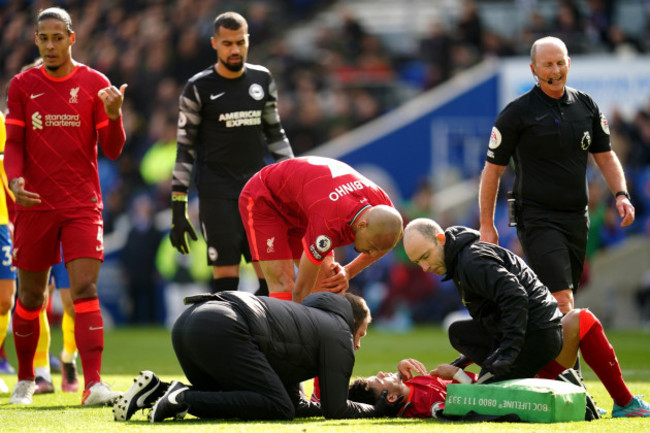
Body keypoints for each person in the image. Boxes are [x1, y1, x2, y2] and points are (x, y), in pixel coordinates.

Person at [4, 7, 127, 405]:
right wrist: (15, 180)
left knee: (84, 289)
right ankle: (26, 377)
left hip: (81, 203)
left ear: (72, 38)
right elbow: (15, 146)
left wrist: (115, 116)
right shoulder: (22, 85)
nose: (52, 44)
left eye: (59, 37)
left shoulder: (96, 84)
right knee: (32, 297)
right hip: (35, 204)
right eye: (44, 38)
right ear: (36, 40)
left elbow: (112, 149)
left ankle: (93, 384)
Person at [478, 36, 635, 314]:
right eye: (547, 64)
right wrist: (487, 225)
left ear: (569, 64)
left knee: (563, 301)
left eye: (560, 63)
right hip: (537, 218)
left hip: (577, 218)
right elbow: (492, 171)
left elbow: (606, 156)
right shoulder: (516, 113)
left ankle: (550, 356)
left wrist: (621, 195)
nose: (555, 70)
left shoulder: (585, 106)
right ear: (533, 70)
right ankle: (562, 357)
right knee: (562, 300)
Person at [114, 290, 400, 422]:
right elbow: (335, 410)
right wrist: (377, 410)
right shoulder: (339, 332)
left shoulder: (306, 321)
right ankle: (182, 398)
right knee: (278, 409)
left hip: (189, 322)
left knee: (249, 400)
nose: (358, 345)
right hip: (224, 326)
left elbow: (297, 403)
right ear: (353, 323)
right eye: (361, 335)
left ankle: (159, 391)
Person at [170, 11, 294, 296]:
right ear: (214, 43)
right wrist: (178, 206)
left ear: (248, 41)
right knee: (226, 277)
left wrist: (293, 181)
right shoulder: (198, 88)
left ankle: (264, 338)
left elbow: (276, 135)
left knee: (270, 276)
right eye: (227, 43)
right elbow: (184, 149)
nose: (235, 49)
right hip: (217, 195)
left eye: (240, 42)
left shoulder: (262, 80)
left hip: (258, 193)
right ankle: (229, 338)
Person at [348, 307, 650, 419]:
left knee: (576, 319)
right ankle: (624, 402)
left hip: (510, 371)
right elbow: (472, 401)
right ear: (389, 397)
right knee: (579, 320)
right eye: (379, 380)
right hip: (517, 379)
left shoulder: (412, 389)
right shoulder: (426, 406)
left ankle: (621, 401)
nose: (381, 372)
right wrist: (456, 373)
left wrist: (404, 371)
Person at [403, 218, 563, 383]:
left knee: (485, 398)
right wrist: (467, 358)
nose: (424, 267)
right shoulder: (461, 260)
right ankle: (528, 373)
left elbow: (515, 296)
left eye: (426, 256)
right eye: (417, 262)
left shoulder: (472, 261)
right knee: (458, 333)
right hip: (531, 329)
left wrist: (508, 352)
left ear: (441, 240)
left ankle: (559, 380)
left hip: (538, 332)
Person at [238, 156, 403, 304]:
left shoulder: (384, 209)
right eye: (372, 246)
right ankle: (285, 337)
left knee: (327, 285)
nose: (372, 254)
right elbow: (301, 291)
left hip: (302, 208)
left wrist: (349, 271)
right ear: (362, 225)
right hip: (266, 199)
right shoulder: (329, 223)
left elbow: (389, 240)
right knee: (284, 287)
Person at [0, 111, 17, 393]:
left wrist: (15, 218)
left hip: (1, 221)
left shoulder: (2, 121)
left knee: (5, 299)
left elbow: (9, 170)